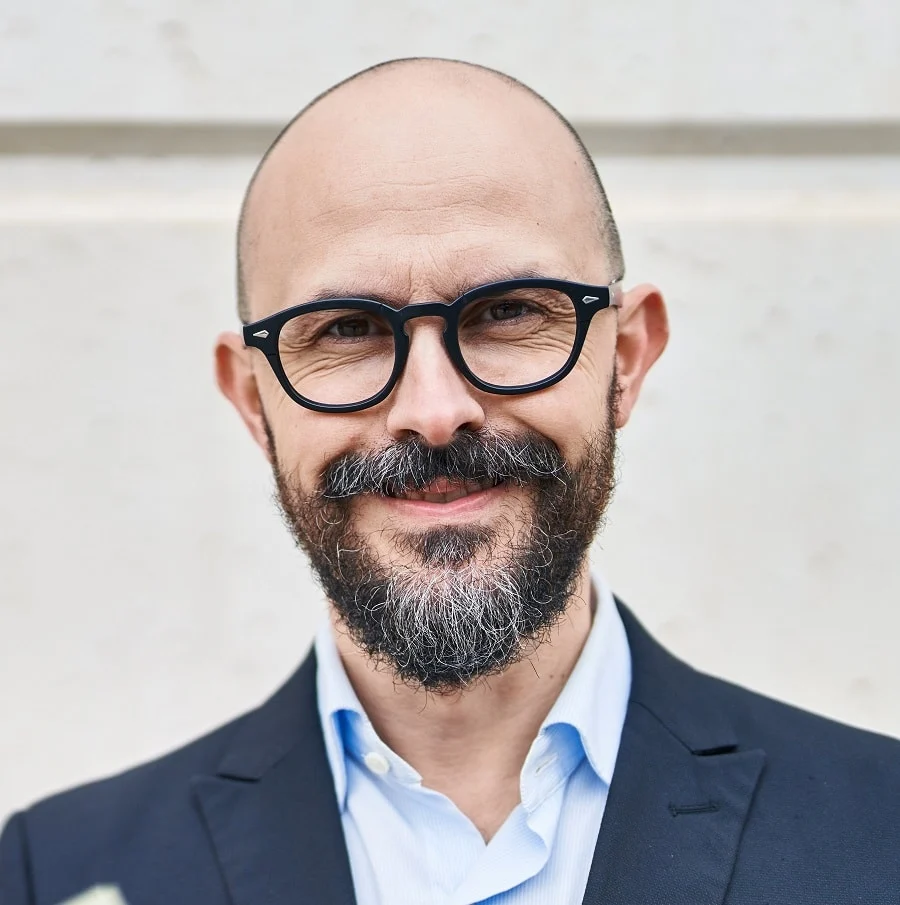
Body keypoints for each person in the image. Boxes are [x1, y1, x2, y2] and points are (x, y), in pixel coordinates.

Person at [1, 58, 898, 905]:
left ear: (624, 357)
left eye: (507, 312)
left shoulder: (879, 830)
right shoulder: (62, 869)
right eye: (346, 328)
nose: (434, 411)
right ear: (252, 398)